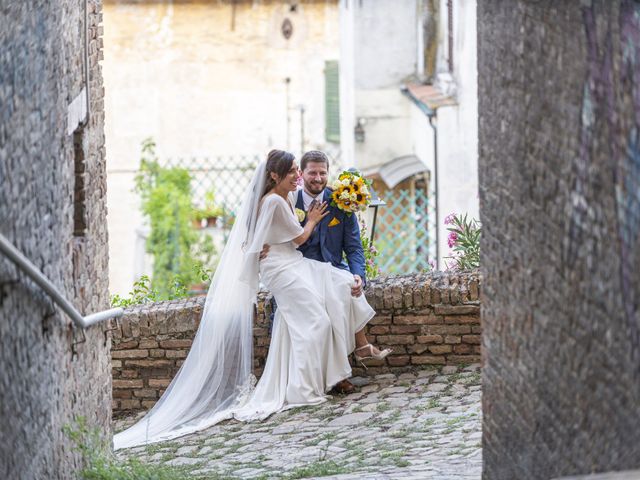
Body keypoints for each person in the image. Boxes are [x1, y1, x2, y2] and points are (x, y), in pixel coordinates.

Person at [113, 150, 385, 450]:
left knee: (341, 283)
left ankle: (349, 356)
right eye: (297, 171)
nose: (301, 176)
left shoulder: (318, 199)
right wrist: (304, 224)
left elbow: (339, 245)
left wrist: (262, 245)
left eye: (305, 171)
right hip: (285, 267)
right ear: (277, 176)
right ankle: (308, 387)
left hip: (295, 263)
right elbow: (292, 237)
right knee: (316, 322)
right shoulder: (280, 199)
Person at [263, 150, 391, 394]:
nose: (318, 178)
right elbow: (268, 230)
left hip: (330, 268)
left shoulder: (341, 201)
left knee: (345, 289)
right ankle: (340, 368)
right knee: (325, 305)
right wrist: (260, 247)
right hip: (299, 270)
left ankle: (341, 372)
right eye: (312, 172)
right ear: (302, 173)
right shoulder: (290, 199)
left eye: (323, 173)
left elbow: (354, 248)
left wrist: (358, 276)